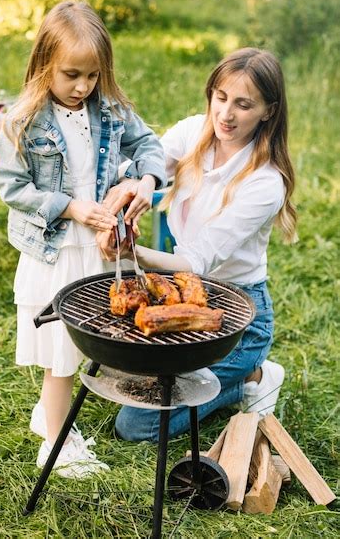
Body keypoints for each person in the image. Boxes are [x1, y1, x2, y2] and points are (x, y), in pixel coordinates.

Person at [0, 0, 167, 474]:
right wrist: (70, 207)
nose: (83, 86)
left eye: (92, 75)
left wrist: (147, 182)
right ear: (44, 63)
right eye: (71, 74)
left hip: (98, 250)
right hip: (57, 252)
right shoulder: (23, 121)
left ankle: (49, 416)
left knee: (94, 341)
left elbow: (149, 144)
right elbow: (11, 187)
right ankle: (55, 446)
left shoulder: (108, 108)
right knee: (62, 356)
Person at [98, 47, 297, 442]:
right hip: (182, 297)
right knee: (126, 379)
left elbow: (195, 260)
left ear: (268, 111)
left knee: (136, 426)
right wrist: (140, 184)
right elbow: (146, 163)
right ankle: (219, 380)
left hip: (238, 317)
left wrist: (132, 253)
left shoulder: (265, 182)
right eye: (220, 97)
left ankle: (251, 377)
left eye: (243, 104)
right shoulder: (194, 130)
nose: (225, 114)